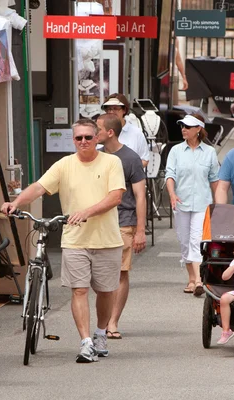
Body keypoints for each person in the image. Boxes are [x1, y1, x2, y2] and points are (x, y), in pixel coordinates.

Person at [0, 118, 126, 363]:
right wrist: (15, 203)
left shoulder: (112, 162)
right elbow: (38, 187)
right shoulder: (64, 165)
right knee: (79, 290)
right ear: (73, 139)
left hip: (107, 239)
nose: (83, 142)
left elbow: (115, 197)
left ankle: (101, 332)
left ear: (97, 138)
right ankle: (86, 342)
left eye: (88, 137)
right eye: (78, 137)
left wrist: (86, 212)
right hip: (75, 240)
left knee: (105, 291)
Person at [95, 113, 147, 339]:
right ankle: (103, 320)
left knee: (120, 273)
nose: (92, 133)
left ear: (110, 132)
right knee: (101, 274)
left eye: (97, 129)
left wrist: (141, 230)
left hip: (124, 221)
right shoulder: (93, 156)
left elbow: (141, 196)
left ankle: (112, 322)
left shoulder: (130, 158)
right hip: (98, 222)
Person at [165, 114, 219, 296]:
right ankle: (191, 278)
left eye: (188, 126)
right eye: (182, 126)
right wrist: (172, 194)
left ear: (198, 129)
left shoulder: (210, 152)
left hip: (203, 203)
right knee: (184, 241)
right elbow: (170, 175)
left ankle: (198, 280)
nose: (183, 129)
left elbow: (214, 180)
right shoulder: (175, 151)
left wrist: (219, 204)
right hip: (181, 202)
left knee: (197, 241)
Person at [102, 94, 150, 168]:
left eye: (115, 108)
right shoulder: (101, 132)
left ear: (124, 110)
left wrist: (128, 171)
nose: (111, 112)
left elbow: (144, 159)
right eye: (109, 109)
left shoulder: (136, 133)